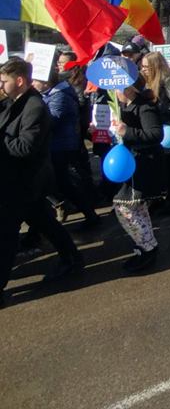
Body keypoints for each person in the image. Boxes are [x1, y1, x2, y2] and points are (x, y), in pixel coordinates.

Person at [0, 59, 84, 300]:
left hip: (25, 181)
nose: (1, 84)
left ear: (19, 81)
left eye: (4, 81)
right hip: (15, 181)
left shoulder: (34, 106)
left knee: (5, 236)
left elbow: (25, 147)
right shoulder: (12, 101)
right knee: (45, 222)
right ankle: (72, 257)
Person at [35, 68, 100, 229]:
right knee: (61, 182)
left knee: (62, 182)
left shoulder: (60, 96)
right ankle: (83, 212)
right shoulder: (52, 94)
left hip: (61, 146)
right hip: (58, 144)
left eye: (34, 80)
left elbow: (51, 122)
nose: (32, 83)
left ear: (45, 82)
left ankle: (89, 215)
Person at [113, 78, 165, 272]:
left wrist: (127, 131)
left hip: (142, 164)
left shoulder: (144, 107)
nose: (114, 91)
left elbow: (155, 135)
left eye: (116, 87)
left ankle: (147, 247)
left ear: (129, 88)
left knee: (124, 207)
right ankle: (146, 245)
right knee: (136, 207)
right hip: (131, 163)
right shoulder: (123, 107)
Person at [139, 51, 170, 214]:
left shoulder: (167, 80)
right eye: (142, 66)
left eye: (146, 66)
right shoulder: (148, 80)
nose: (143, 69)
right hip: (157, 127)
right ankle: (164, 198)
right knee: (162, 166)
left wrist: (160, 111)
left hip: (168, 128)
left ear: (155, 66)